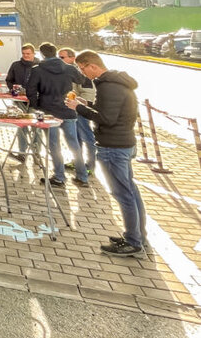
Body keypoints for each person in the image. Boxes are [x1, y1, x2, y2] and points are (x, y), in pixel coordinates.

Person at [66, 51, 147, 256]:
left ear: (92, 66)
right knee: (131, 191)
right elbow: (109, 111)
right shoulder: (117, 83)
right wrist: (88, 104)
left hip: (113, 147)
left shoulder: (107, 86)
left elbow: (107, 118)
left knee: (123, 194)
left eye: (83, 69)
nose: (83, 74)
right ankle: (138, 236)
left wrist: (79, 108)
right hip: (123, 143)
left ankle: (133, 242)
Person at [26, 42, 90, 188]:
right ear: (55, 53)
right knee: (74, 144)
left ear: (41, 54)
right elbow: (81, 80)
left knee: (54, 145)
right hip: (67, 108)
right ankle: (82, 176)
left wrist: (36, 105)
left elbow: (31, 90)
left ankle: (59, 176)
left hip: (48, 111)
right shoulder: (68, 68)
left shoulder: (37, 70)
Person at [60, 47, 97, 173]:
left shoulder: (82, 72)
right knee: (76, 137)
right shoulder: (66, 71)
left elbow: (89, 92)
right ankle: (77, 161)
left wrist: (80, 105)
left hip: (81, 109)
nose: (60, 60)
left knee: (87, 137)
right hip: (72, 108)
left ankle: (90, 165)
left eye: (62, 57)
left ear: (72, 58)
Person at [4, 44, 37, 160]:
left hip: (35, 102)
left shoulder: (40, 66)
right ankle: (22, 153)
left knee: (35, 127)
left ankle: (36, 152)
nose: (26, 56)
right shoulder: (16, 65)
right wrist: (13, 88)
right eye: (24, 54)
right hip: (19, 102)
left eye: (28, 54)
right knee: (22, 127)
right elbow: (9, 80)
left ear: (33, 53)